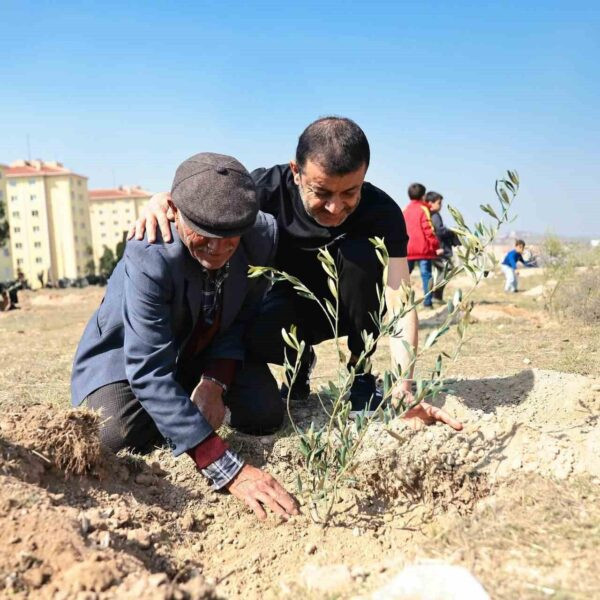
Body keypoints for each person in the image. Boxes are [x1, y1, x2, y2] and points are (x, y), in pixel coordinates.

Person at [132, 117, 463, 430]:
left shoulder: (382, 213)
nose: (335, 208)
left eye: (350, 192)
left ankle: (361, 375)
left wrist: (404, 384)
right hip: (288, 306)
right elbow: (209, 199)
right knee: (253, 331)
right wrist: (162, 199)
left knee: (359, 255)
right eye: (321, 192)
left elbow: (399, 297)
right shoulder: (265, 189)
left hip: (356, 310)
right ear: (296, 172)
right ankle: (299, 363)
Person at [71, 153, 299, 521]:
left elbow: (240, 319)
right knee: (114, 434)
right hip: (130, 355)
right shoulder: (150, 251)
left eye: (230, 240)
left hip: (201, 352)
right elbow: (147, 369)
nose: (218, 250)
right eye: (204, 236)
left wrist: (214, 382)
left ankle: (179, 411)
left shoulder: (259, 236)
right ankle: (178, 421)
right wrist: (225, 466)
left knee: (264, 413)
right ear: (175, 211)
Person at [404, 184, 443, 308]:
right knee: (426, 275)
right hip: (423, 250)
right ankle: (427, 303)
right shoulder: (423, 209)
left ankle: (402, 303)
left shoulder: (405, 209)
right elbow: (428, 229)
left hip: (408, 249)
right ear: (423, 195)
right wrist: (436, 246)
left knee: (404, 276)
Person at [426, 191, 460, 303]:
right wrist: (452, 231)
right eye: (439, 203)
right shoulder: (435, 215)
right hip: (439, 249)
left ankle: (437, 297)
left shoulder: (429, 214)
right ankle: (435, 293)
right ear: (430, 203)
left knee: (441, 271)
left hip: (436, 249)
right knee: (448, 270)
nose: (441, 206)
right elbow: (440, 231)